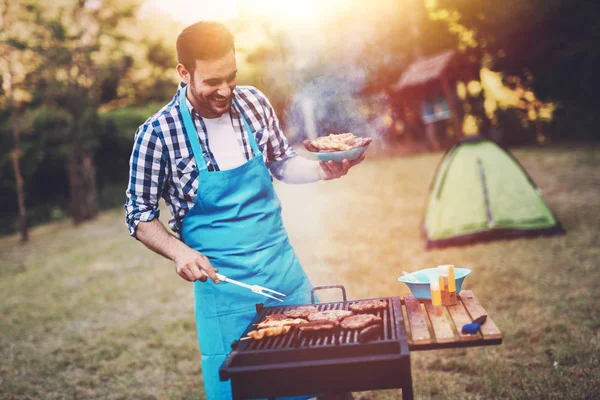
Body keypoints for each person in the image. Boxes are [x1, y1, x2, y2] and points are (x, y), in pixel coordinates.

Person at [125, 21, 363, 400]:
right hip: (224, 292)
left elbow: (282, 163)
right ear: (183, 73)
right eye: (212, 81)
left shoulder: (253, 102)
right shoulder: (157, 134)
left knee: (318, 383)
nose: (225, 91)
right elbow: (138, 213)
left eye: (231, 77)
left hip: (283, 275)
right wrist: (179, 252)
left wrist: (322, 169)